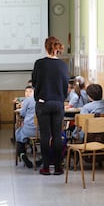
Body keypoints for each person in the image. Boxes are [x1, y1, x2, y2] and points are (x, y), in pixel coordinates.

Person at [32, 36, 69, 175]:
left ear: (46, 47)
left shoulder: (39, 63)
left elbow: (34, 82)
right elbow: (66, 84)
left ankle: (46, 167)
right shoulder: (63, 65)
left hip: (43, 103)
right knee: (57, 135)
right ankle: (58, 167)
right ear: (57, 48)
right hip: (58, 103)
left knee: (45, 136)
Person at [15, 85, 42, 168]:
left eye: (30, 91)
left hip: (29, 130)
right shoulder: (42, 100)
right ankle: (43, 158)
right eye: (26, 91)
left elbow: (22, 113)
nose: (28, 93)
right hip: (42, 131)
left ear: (34, 92)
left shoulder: (28, 100)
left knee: (18, 133)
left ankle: (23, 155)